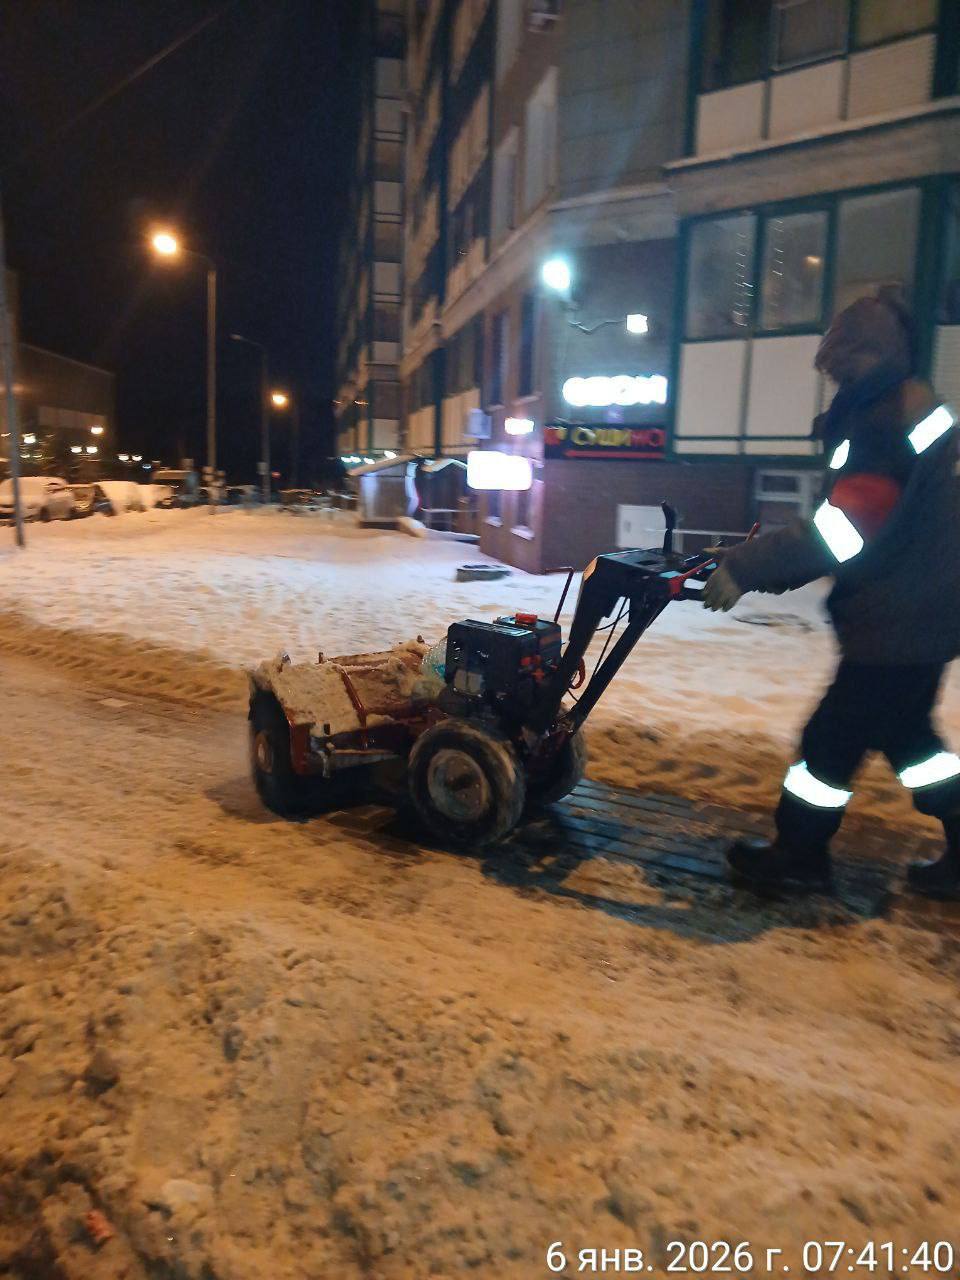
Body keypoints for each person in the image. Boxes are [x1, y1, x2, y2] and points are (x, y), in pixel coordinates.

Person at [703, 292, 960, 898]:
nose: (834, 379)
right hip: (924, 610)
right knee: (911, 740)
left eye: (840, 367)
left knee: (829, 743)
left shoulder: (883, 422)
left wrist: (747, 566)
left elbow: (844, 530)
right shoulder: (917, 406)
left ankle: (799, 855)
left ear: (866, 358)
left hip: (898, 619)